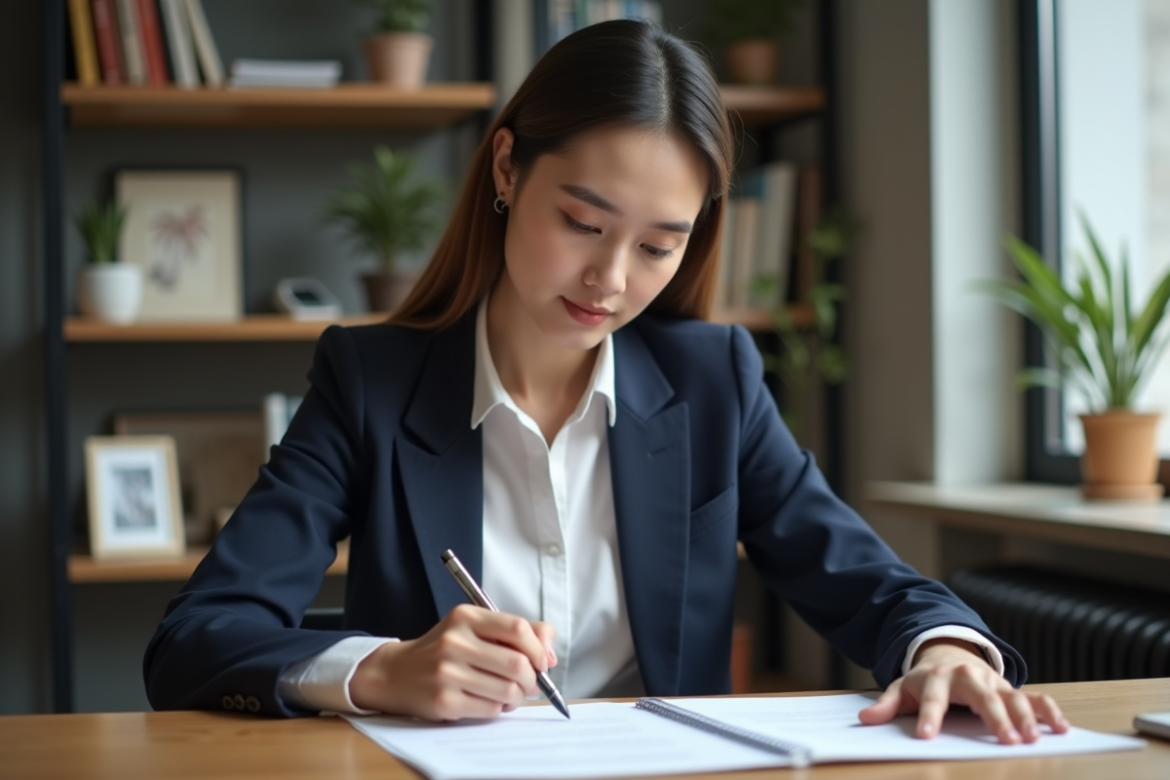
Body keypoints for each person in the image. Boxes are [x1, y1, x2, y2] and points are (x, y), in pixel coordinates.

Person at [144, 19, 1067, 745]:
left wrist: (945, 647)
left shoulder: (715, 382)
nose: (612, 280)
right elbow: (197, 638)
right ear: (507, 167)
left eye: (660, 245)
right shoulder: (369, 381)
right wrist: (382, 670)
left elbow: (870, 583)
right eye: (583, 223)